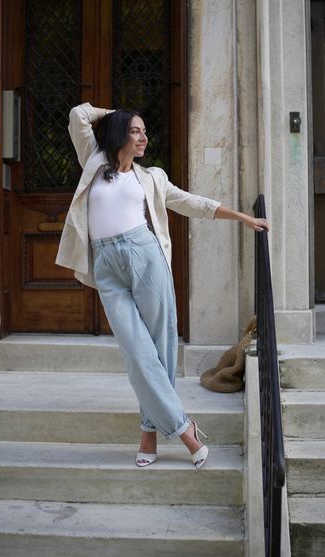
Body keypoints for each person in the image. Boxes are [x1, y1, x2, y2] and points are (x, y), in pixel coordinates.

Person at [55, 103, 269, 469]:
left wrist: (242, 217)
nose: (143, 137)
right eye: (135, 130)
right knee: (137, 354)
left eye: (143, 131)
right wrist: (116, 113)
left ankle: (150, 434)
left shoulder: (150, 176)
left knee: (160, 351)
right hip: (107, 266)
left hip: (145, 256)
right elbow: (77, 114)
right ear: (120, 133)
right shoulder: (94, 160)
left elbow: (190, 202)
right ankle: (186, 431)